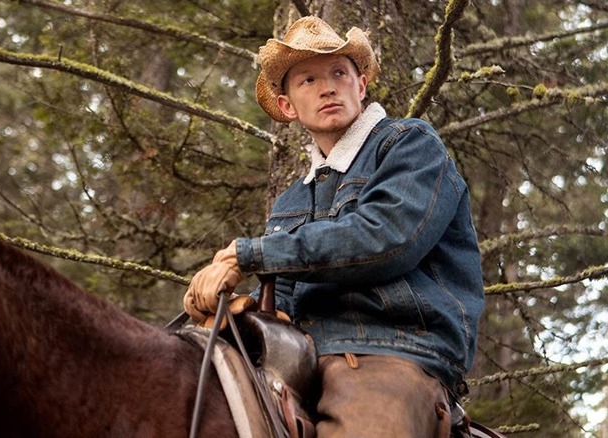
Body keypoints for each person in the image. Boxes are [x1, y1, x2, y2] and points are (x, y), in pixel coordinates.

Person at [183, 16, 485, 438]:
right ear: (288, 106)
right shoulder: (291, 200)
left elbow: (385, 238)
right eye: (308, 80)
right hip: (300, 357)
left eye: (339, 73)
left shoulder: (409, 143)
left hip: (392, 351)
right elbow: (283, 295)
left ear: (360, 86)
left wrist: (250, 254)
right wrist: (232, 305)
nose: (327, 87)